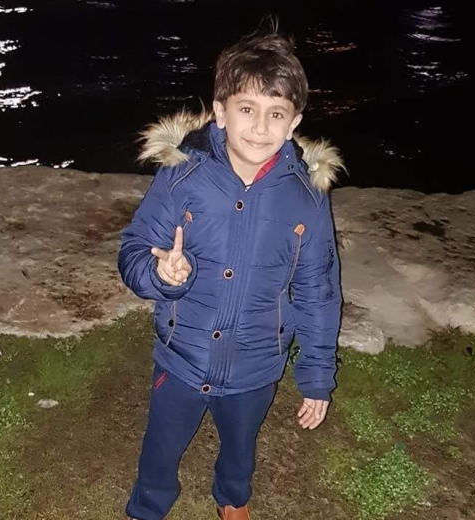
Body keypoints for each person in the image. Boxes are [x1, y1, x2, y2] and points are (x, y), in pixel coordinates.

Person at [117, 24, 344, 520]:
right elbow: (134, 248)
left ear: (293, 122)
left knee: (241, 446)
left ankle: (233, 497)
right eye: (246, 109)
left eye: (276, 114)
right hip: (182, 356)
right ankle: (149, 505)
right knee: (161, 447)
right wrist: (160, 274)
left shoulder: (307, 197)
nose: (260, 127)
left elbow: (319, 290)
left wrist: (317, 376)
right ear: (220, 112)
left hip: (257, 365)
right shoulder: (182, 175)